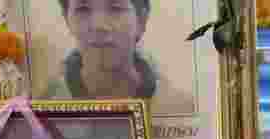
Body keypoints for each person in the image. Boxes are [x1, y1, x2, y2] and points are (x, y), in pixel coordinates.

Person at [42, 0, 194, 115]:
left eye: (115, 8)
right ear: (67, 19)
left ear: (141, 19)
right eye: (83, 9)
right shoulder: (44, 107)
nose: (99, 25)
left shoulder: (178, 107)